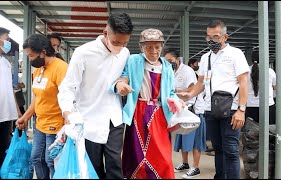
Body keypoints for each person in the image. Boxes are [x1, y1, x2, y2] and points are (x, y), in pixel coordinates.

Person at [57, 13, 133, 179]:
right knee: (92, 167)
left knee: (115, 165)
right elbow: (68, 86)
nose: (119, 47)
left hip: (115, 118)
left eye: (124, 43)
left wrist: (122, 82)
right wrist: (67, 112)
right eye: (115, 42)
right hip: (88, 120)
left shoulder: (125, 53)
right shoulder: (83, 53)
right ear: (105, 32)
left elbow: (124, 75)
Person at [177, 20, 250, 179]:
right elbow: (200, 83)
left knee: (231, 150)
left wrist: (241, 110)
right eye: (208, 37)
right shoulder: (205, 58)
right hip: (210, 109)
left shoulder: (235, 54)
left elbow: (244, 83)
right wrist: (189, 95)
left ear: (225, 37)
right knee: (218, 148)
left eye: (216, 37)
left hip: (231, 110)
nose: (212, 41)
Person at [113, 28, 184, 179]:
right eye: (149, 47)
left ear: (162, 47)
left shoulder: (167, 66)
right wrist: (120, 84)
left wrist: (177, 102)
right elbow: (124, 76)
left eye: (157, 47)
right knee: (137, 153)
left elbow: (171, 92)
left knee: (162, 156)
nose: (153, 51)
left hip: (159, 113)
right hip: (138, 111)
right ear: (141, 47)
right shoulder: (133, 60)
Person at [16, 34, 68, 179]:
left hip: (56, 125)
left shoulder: (61, 68)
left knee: (51, 161)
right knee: (36, 159)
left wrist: (67, 126)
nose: (29, 59)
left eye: (31, 55)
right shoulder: (38, 70)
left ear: (43, 52)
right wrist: (25, 117)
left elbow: (68, 99)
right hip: (40, 124)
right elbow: (36, 98)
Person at [172, 63, 207, 179]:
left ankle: (195, 167)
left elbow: (194, 89)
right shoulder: (176, 73)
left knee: (196, 141)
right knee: (183, 137)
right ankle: (185, 163)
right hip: (185, 112)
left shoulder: (192, 76)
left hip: (195, 112)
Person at [0, 27, 22, 169]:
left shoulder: (6, 63)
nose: (8, 43)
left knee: (4, 151)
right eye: (6, 39)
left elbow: (10, 90)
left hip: (6, 116)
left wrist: (18, 112)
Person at [245, 50, 276, 124]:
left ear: (252, 59)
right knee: (269, 131)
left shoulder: (246, 71)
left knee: (251, 133)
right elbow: (275, 87)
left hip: (250, 106)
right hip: (267, 105)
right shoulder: (270, 71)